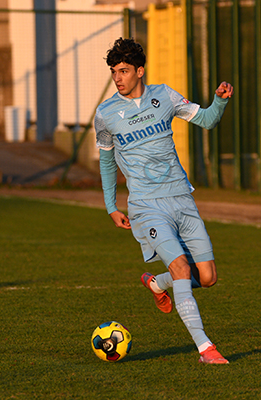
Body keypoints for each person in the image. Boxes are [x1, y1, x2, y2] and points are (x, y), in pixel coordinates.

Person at [95, 37, 233, 364]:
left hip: (182, 198)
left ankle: (158, 284)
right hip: (146, 206)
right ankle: (205, 349)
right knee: (182, 267)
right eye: (114, 72)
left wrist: (219, 101)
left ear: (140, 71)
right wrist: (111, 206)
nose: (118, 78)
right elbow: (105, 160)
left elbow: (206, 120)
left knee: (208, 276)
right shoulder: (105, 114)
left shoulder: (165, 96)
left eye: (124, 71)